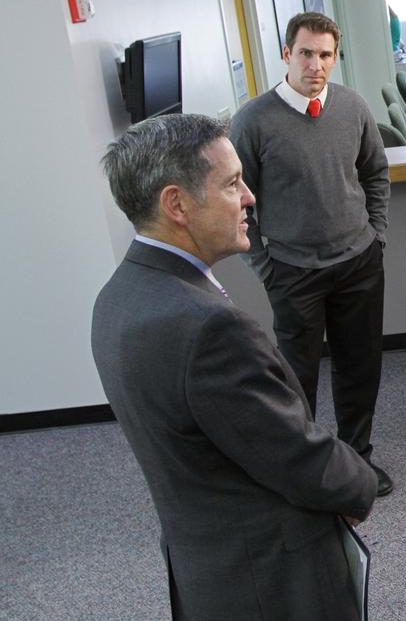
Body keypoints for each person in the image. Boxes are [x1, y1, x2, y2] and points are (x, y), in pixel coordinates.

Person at [92, 114, 379, 619]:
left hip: (209, 571)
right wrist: (362, 484)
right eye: (231, 184)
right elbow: (293, 454)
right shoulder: (206, 327)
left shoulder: (117, 298)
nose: (249, 197)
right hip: (270, 582)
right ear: (176, 204)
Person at [229, 12, 393, 496]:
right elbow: (238, 200)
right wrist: (263, 265)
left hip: (358, 262)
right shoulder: (253, 121)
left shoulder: (352, 107)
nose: (316, 65)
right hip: (293, 272)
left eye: (325, 55)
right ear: (286, 54)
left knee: (360, 366)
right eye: (306, 53)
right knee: (297, 378)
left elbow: (375, 174)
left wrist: (377, 236)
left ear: (335, 57)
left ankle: (357, 459)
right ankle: (305, 471)